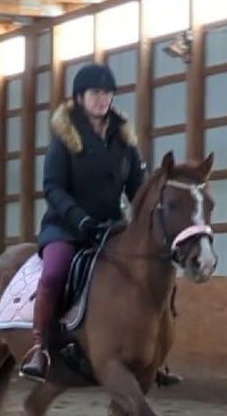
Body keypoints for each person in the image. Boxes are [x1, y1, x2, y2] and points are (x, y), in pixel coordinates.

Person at [20, 61, 182, 387]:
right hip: (66, 227)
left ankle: (153, 354)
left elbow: (137, 191)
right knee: (55, 272)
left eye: (107, 93)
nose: (102, 99)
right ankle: (41, 347)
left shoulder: (124, 141)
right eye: (96, 93)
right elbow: (53, 188)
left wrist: (148, 222)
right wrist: (80, 220)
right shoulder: (64, 140)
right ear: (80, 97)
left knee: (155, 272)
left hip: (110, 228)